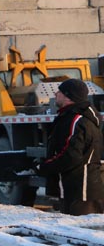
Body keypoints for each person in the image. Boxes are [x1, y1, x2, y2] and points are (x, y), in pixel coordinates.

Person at [36, 78, 104, 215]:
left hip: (81, 192)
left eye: (59, 91)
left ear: (69, 96)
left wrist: (44, 167)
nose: (55, 94)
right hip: (75, 190)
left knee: (82, 232)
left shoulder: (76, 120)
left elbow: (70, 156)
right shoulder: (71, 117)